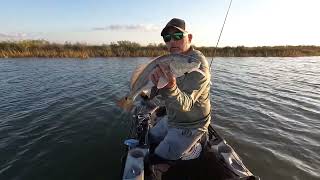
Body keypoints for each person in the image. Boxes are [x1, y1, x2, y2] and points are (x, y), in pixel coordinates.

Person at [147, 18, 211, 177]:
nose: (171, 41)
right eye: (167, 38)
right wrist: (156, 86)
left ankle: (196, 144)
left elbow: (187, 104)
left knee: (156, 162)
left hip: (191, 124)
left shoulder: (197, 63)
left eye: (177, 36)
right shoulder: (169, 60)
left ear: (189, 38)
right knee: (150, 137)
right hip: (173, 118)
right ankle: (180, 147)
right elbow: (163, 97)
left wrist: (170, 87)